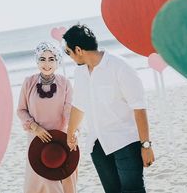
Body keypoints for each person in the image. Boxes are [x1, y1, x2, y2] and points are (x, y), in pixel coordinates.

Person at [62, 24, 155, 193]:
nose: (70, 57)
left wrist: (146, 146)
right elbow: (78, 104)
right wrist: (71, 132)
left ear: (78, 50)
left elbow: (139, 107)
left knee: (133, 190)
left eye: (68, 52)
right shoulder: (80, 73)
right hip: (98, 146)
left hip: (125, 142)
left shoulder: (120, 67)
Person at [17, 41, 77, 193]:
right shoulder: (28, 82)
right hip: (37, 142)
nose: (47, 63)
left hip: (61, 142)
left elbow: (69, 112)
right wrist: (35, 127)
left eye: (51, 59)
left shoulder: (65, 83)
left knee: (61, 184)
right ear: (37, 60)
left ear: (57, 61)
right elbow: (21, 110)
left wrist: (73, 131)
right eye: (42, 59)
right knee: (41, 184)